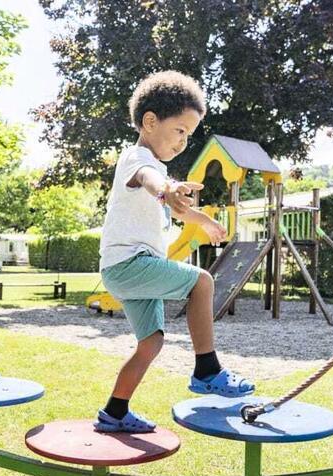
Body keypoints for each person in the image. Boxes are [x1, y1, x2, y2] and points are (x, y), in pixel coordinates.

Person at [94, 71, 255, 433]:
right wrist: (166, 189)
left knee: (150, 343)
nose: (184, 142)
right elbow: (152, 182)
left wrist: (206, 222)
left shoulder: (155, 167)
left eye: (189, 135)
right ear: (150, 121)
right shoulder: (137, 159)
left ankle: (114, 412)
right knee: (202, 282)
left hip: (127, 271)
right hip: (130, 265)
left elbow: (177, 207)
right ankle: (207, 370)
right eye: (180, 131)